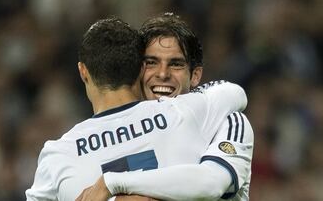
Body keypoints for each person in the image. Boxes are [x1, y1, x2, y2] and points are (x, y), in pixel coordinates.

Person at [26, 16, 248, 201]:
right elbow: (233, 91)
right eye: (152, 62)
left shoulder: (58, 153)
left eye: (176, 64)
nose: (163, 74)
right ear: (140, 68)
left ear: (83, 71)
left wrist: (112, 183)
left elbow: (212, 182)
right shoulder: (189, 112)